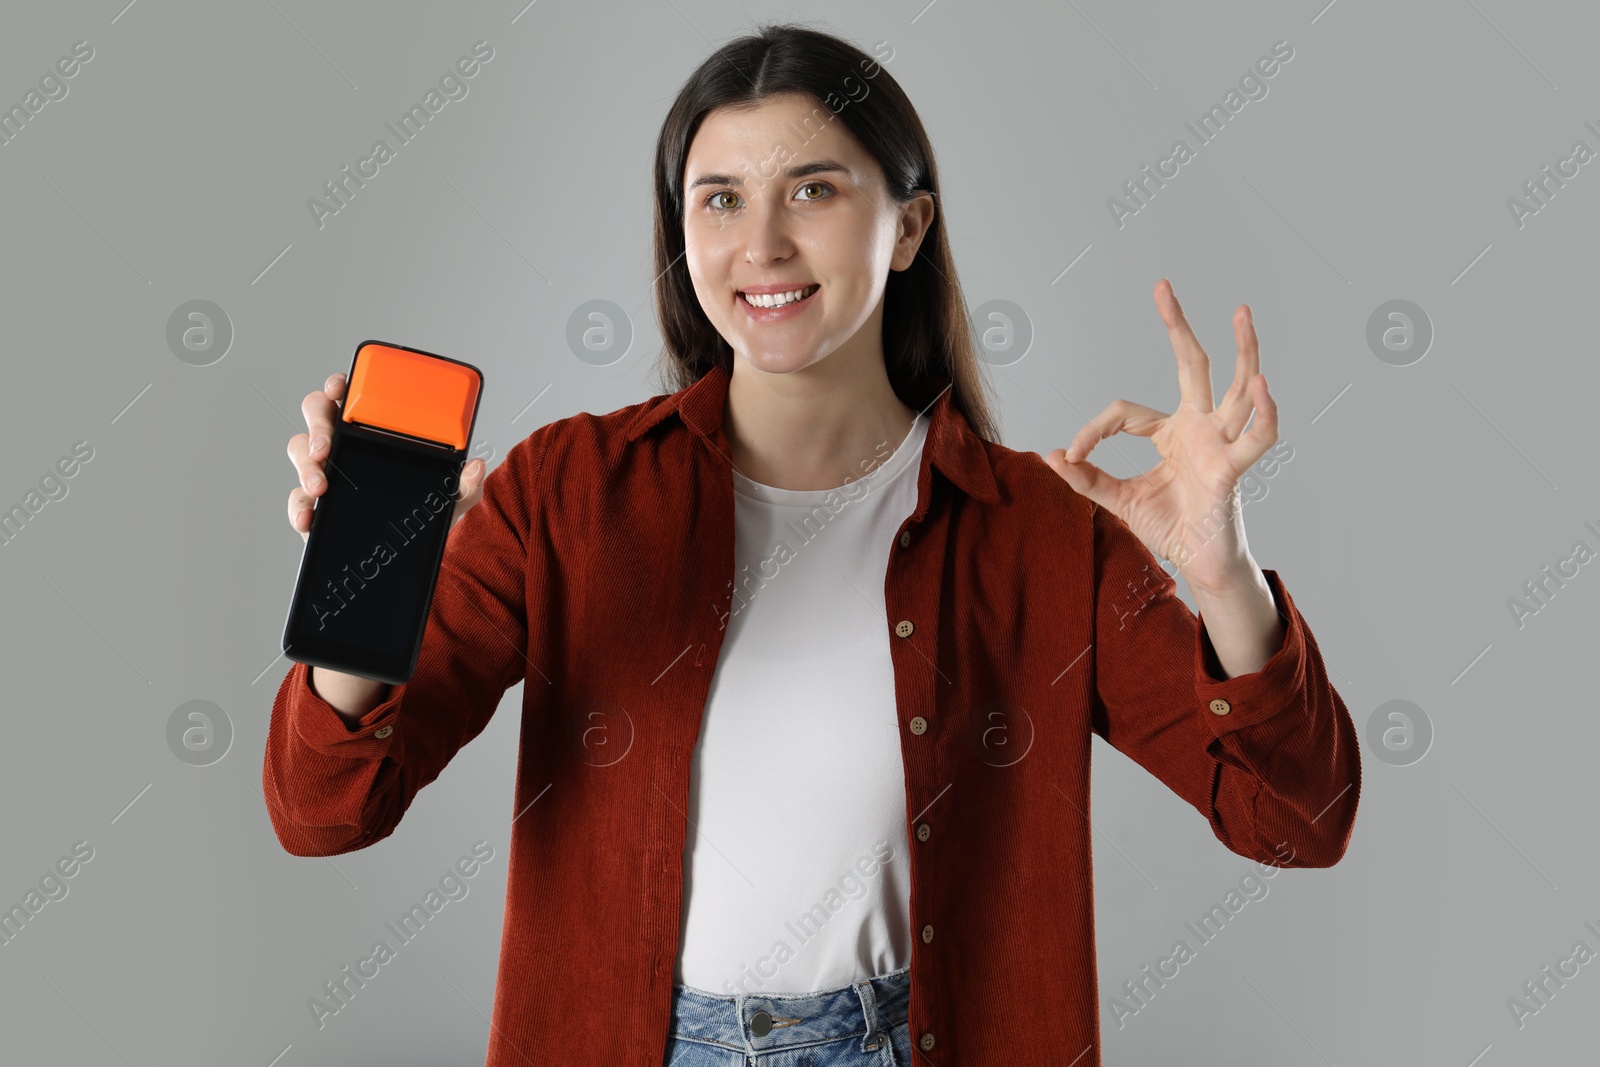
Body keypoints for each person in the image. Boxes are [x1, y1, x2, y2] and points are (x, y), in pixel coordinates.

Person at [266, 22, 1360, 1067]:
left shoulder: (1039, 528)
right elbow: (324, 810)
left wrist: (1218, 575)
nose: (763, 244)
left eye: (814, 190)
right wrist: (371, 577)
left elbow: (1296, 818)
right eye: (721, 199)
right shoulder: (565, 492)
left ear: (910, 227)